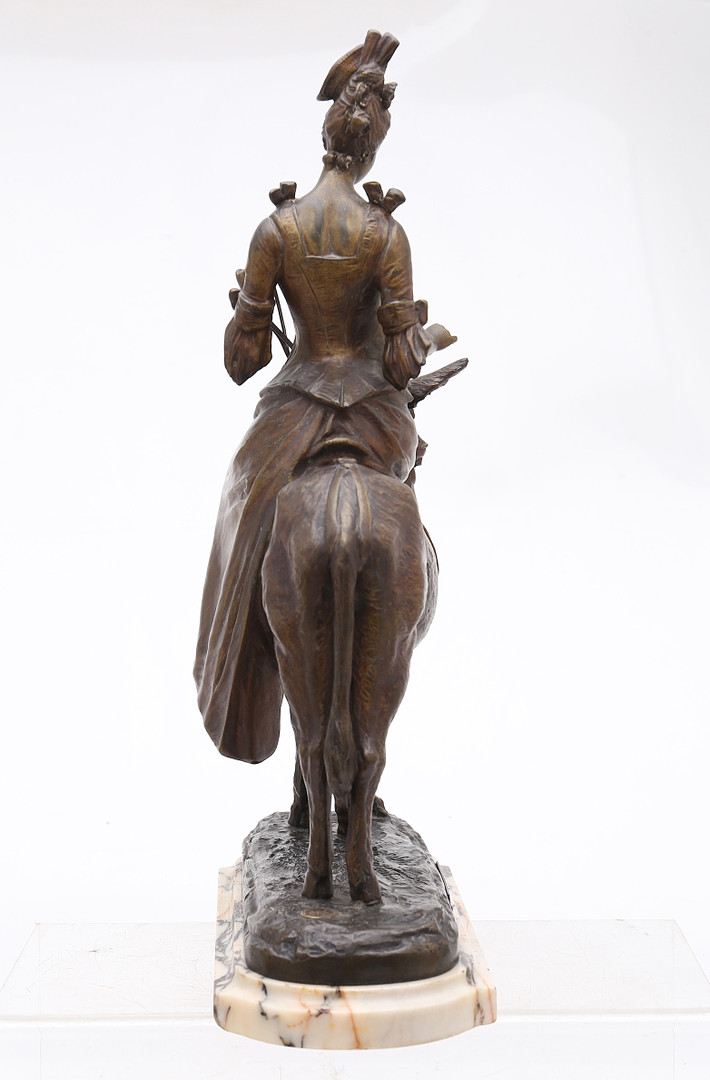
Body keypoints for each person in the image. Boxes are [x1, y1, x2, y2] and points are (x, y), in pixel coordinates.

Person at [195, 31, 445, 762]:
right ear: (372, 148)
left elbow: (242, 363)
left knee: (242, 523)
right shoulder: (385, 232)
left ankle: (242, 651)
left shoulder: (275, 230)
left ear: (327, 134)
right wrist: (415, 336)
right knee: (404, 491)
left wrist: (248, 310)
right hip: (377, 420)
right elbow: (398, 360)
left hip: (293, 413)